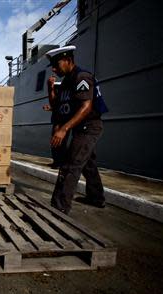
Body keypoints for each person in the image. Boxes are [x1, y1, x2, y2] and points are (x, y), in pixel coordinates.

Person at [45, 45, 106, 214]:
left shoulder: (82, 78)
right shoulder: (66, 82)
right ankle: (96, 198)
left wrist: (64, 129)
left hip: (89, 126)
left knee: (70, 164)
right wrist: (50, 89)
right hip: (78, 126)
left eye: (57, 64)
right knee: (88, 164)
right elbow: (57, 106)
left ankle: (59, 207)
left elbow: (86, 107)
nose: (54, 68)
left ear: (68, 60)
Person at [44, 80, 68, 169]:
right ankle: (56, 161)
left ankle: (60, 163)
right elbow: (56, 107)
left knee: (60, 143)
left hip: (60, 122)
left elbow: (62, 109)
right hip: (56, 121)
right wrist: (50, 108)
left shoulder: (63, 98)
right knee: (54, 143)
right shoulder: (59, 99)